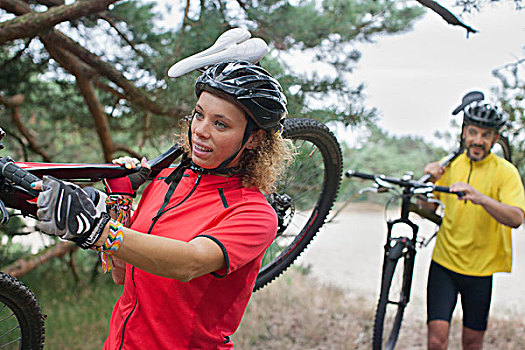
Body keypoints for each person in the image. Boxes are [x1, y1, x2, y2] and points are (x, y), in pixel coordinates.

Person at [33, 60, 294, 349]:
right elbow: (121, 274)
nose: (200, 131)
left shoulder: (253, 214)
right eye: (199, 115)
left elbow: (189, 262)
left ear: (255, 138)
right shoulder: (167, 180)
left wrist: (98, 229)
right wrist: (119, 203)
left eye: (220, 124)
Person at [421, 100, 525, 350]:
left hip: (480, 270)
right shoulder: (450, 165)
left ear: (495, 138)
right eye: (473, 132)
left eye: (486, 135)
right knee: (436, 340)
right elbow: (427, 211)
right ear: (464, 132)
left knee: (472, 342)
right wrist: (426, 189)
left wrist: (480, 197)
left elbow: (516, 218)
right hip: (444, 264)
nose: (478, 140)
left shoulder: (505, 172)